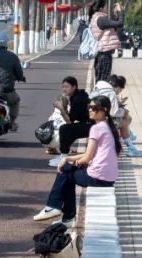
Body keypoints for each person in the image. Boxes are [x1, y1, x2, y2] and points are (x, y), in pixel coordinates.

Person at [33, 96, 120, 228]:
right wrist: (68, 159)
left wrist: (68, 160)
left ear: (104, 110)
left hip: (98, 178)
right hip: (108, 177)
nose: (90, 110)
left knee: (64, 170)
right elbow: (89, 155)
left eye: (94, 108)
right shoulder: (108, 127)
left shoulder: (96, 129)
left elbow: (87, 158)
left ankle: (54, 206)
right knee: (68, 173)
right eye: (89, 107)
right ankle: (66, 217)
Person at [93, 74, 142, 157]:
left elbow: (107, 106)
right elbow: (113, 113)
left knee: (126, 118)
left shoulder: (100, 86)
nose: (119, 92)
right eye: (120, 90)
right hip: (100, 121)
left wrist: (119, 103)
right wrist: (124, 111)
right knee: (126, 120)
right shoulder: (111, 93)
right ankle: (130, 145)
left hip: (95, 117)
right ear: (118, 87)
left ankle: (130, 139)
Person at [49, 76, 93, 167]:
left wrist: (61, 108)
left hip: (92, 126)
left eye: (67, 87)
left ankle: (64, 157)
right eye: (63, 87)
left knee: (65, 129)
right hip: (89, 124)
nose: (64, 89)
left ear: (74, 87)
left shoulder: (77, 100)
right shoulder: (78, 96)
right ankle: (63, 155)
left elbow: (69, 121)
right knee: (69, 130)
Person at [89, 0, 122, 83]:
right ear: (101, 8)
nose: (108, 8)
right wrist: (120, 11)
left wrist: (116, 15)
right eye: (106, 6)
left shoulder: (96, 18)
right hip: (104, 54)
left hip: (101, 53)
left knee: (100, 79)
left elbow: (114, 26)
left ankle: (99, 95)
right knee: (103, 80)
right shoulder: (101, 19)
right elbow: (120, 24)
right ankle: (101, 95)